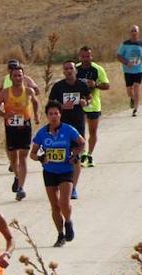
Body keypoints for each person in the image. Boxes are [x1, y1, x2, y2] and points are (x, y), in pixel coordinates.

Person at [31, 102, 85, 246]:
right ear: (47, 116)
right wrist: (40, 158)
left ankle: (68, 221)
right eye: (51, 114)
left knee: (64, 203)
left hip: (66, 170)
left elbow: (82, 143)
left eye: (56, 113)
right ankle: (60, 235)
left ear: (60, 114)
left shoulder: (68, 129)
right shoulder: (42, 133)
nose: (54, 116)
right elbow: (32, 154)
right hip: (49, 172)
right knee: (55, 206)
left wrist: (75, 155)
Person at [0, 64, 40, 200]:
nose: (18, 78)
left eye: (20, 75)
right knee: (13, 158)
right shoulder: (5, 93)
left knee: (23, 157)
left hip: (25, 126)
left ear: (23, 77)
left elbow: (36, 102)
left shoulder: (29, 91)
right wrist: (4, 115)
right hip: (11, 127)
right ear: (11, 77)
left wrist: (36, 115)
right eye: (15, 76)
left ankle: (21, 188)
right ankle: (17, 177)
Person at [47, 63, 91, 198]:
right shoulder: (58, 86)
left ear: (75, 70)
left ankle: (73, 188)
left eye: (71, 68)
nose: (69, 71)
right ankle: (59, 183)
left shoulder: (82, 85)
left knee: (76, 157)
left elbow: (89, 98)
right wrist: (62, 106)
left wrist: (85, 102)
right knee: (61, 155)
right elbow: (50, 104)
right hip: (61, 125)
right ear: (63, 71)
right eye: (66, 69)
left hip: (78, 124)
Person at [75, 47, 111, 167]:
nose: (86, 59)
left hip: (93, 105)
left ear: (91, 56)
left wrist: (96, 85)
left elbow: (107, 85)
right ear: (80, 57)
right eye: (83, 56)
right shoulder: (75, 68)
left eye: (88, 56)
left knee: (92, 131)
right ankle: (82, 153)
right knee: (79, 131)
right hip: (79, 104)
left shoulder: (97, 69)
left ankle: (89, 155)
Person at [117, 26, 142, 116]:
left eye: (135, 31)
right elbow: (118, 56)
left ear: (138, 32)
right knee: (129, 90)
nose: (134, 32)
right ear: (129, 33)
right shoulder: (124, 44)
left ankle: (135, 109)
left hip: (139, 69)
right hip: (128, 70)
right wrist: (126, 62)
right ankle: (132, 98)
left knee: (136, 87)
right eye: (132, 31)